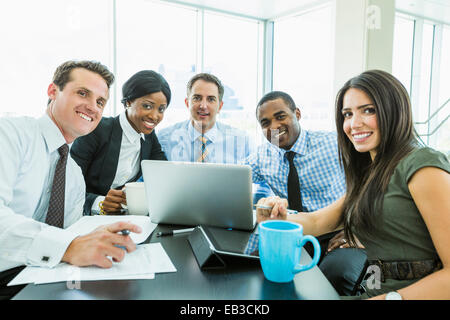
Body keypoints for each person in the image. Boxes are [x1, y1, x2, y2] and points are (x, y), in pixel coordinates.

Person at [256, 70, 450, 299]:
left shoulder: (422, 165)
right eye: (347, 114)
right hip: (375, 291)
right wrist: (275, 216)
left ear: (394, 110)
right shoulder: (370, 173)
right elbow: (319, 221)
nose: (354, 124)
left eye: (368, 110)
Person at [0, 60, 141, 300]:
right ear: (52, 91)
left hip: (37, 281)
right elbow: (64, 243)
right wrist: (69, 245)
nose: (92, 107)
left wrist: (92, 237)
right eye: (82, 93)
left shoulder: (74, 174)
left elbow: (69, 233)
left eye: (100, 102)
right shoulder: (11, 134)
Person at [245, 91, 367, 295]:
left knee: (335, 273)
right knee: (251, 266)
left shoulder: (334, 143)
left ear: (297, 114)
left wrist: (359, 230)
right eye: (265, 122)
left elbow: (372, 180)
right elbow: (233, 177)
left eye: (280, 116)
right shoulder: (263, 155)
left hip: (337, 231)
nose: (274, 126)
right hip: (294, 230)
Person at [71, 70, 170, 215]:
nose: (155, 116)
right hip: (82, 216)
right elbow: (68, 186)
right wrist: (99, 202)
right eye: (147, 106)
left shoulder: (148, 137)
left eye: (161, 109)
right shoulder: (97, 129)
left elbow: (163, 173)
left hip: (120, 216)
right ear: (128, 101)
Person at [157, 73, 252, 164]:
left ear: (220, 106)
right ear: (187, 103)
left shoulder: (242, 141)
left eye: (211, 99)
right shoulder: (163, 138)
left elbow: (253, 179)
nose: (203, 106)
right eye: (197, 98)